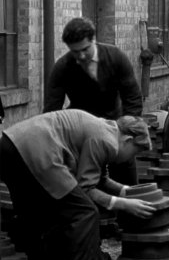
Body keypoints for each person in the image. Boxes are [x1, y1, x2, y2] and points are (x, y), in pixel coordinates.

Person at [0, 109, 155, 260]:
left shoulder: (104, 129)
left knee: (42, 215)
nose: (130, 159)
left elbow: (98, 177)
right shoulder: (106, 140)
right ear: (127, 139)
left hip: (10, 146)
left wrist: (127, 191)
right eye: (135, 152)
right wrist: (123, 204)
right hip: (37, 152)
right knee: (85, 213)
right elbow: (87, 189)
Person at [44, 17, 145, 184]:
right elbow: (51, 110)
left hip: (116, 125)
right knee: (89, 184)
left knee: (126, 181)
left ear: (93, 40)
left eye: (85, 49)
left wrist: (126, 131)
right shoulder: (62, 68)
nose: (81, 55)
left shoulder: (116, 57)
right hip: (82, 131)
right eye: (75, 52)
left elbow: (133, 98)